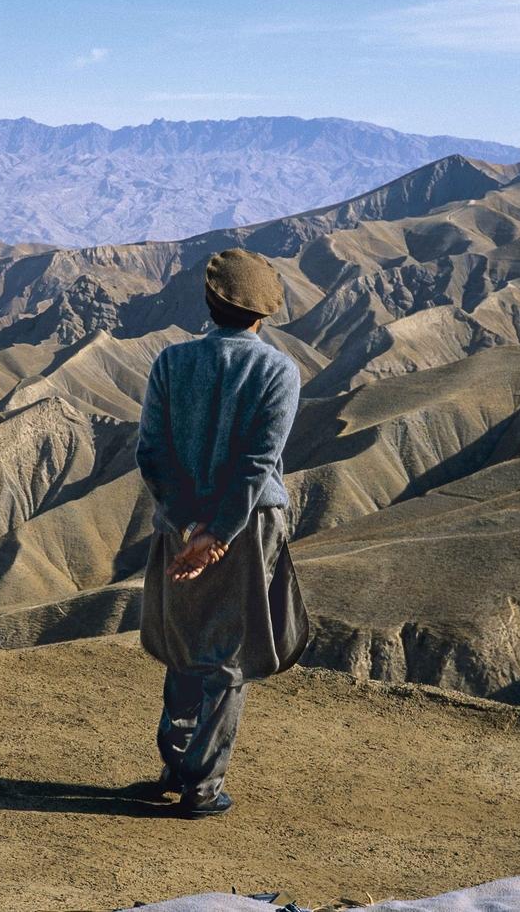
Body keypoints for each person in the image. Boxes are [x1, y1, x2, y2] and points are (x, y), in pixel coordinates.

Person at [134, 247, 309, 818]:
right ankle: (202, 786)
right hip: (247, 529)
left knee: (184, 643)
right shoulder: (279, 371)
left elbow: (152, 454)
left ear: (209, 304)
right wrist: (220, 533)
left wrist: (186, 523)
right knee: (228, 651)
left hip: (178, 526)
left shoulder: (169, 362)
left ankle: (175, 764)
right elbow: (259, 464)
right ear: (263, 316)